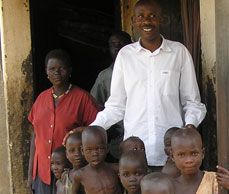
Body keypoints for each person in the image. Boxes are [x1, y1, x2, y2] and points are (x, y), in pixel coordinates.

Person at [90, 0, 206, 171]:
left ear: (162, 19)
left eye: (152, 16)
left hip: (172, 156)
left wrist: (189, 127)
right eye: (141, 17)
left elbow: (192, 103)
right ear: (133, 22)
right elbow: (116, 106)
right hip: (136, 157)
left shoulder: (178, 53)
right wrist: (91, 129)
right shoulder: (125, 56)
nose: (146, 21)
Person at [27, 49, 99, 194]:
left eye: (61, 69)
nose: (57, 73)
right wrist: (30, 174)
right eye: (52, 69)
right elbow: (36, 136)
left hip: (71, 172)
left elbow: (97, 131)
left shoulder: (82, 98)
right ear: (46, 72)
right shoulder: (41, 98)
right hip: (42, 173)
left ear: (70, 70)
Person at [90, 31, 132, 162]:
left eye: (121, 43)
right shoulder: (105, 76)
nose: (117, 47)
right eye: (113, 45)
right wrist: (106, 127)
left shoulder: (140, 71)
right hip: (116, 140)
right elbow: (96, 105)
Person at [72, 126, 122, 194]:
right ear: (82, 151)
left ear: (107, 148)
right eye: (89, 150)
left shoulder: (115, 169)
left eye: (99, 149)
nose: (95, 154)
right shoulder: (79, 175)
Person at [171, 128, 218, 194]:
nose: (189, 160)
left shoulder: (215, 181)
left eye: (194, 153)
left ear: (203, 153)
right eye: (181, 154)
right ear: (173, 157)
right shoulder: (169, 188)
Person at [59, 128, 87, 194]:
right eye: (72, 150)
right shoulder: (65, 176)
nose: (77, 154)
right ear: (67, 154)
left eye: (81, 149)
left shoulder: (91, 175)